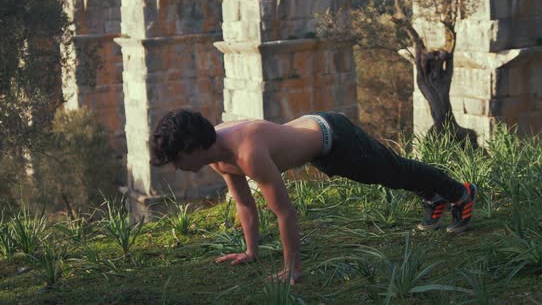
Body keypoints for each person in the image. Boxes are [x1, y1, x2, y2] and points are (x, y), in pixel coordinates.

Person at [149, 109, 476, 284]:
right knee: (390, 175)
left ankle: (459, 193)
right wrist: (251, 251)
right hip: (318, 143)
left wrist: (293, 268)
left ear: (194, 148)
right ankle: (434, 197)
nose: (177, 167)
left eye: (177, 158)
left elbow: (286, 213)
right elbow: (245, 204)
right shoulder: (219, 155)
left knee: (393, 171)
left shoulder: (246, 152)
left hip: (337, 138)